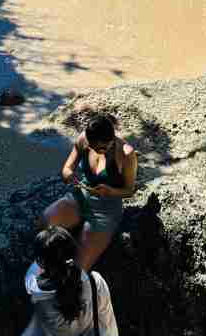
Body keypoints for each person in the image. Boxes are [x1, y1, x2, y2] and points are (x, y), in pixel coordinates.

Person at [42, 114, 137, 270]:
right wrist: (68, 175)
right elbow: (67, 168)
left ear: (112, 139)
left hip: (106, 210)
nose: (96, 150)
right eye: (92, 146)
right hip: (80, 197)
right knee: (45, 222)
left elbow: (128, 190)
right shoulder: (84, 140)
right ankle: (47, 269)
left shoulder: (126, 154)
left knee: (80, 265)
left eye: (102, 148)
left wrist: (111, 191)